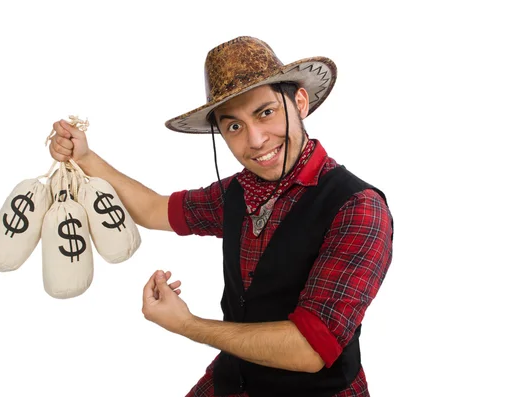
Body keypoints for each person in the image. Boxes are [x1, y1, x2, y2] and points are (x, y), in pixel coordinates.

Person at [48, 36, 394, 397]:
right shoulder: (239, 192)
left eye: (265, 112)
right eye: (234, 126)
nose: (256, 140)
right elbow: (153, 209)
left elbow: (309, 349)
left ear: (300, 103)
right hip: (236, 380)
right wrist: (85, 158)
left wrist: (186, 324)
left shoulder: (357, 207)